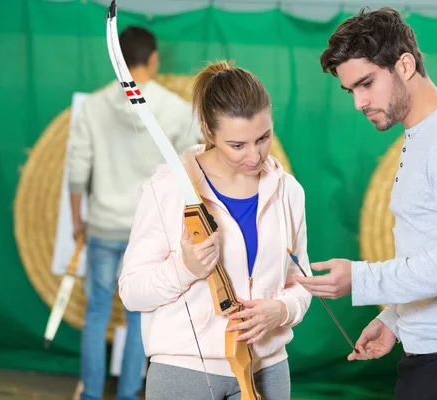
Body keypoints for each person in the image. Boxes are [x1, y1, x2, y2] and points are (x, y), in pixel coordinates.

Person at [295, 7, 437, 400]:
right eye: (351, 91)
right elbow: (430, 249)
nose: (358, 102)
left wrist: (361, 279)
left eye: (366, 84)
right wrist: (396, 319)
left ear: (405, 64)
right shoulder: (425, 133)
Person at [118, 60, 313, 400]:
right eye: (237, 145)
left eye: (263, 138)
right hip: (184, 373)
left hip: (267, 370)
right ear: (208, 130)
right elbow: (132, 292)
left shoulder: (288, 191)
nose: (255, 156)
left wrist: (282, 310)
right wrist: (185, 269)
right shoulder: (166, 188)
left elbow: (301, 282)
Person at [67, 26, 202, 400]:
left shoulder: (94, 107)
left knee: (96, 313)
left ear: (118, 59)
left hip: (103, 226)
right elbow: (187, 173)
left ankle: (91, 394)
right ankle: (128, 394)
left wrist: (78, 221)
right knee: (140, 314)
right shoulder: (176, 110)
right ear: (154, 59)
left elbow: (77, 172)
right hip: (151, 231)